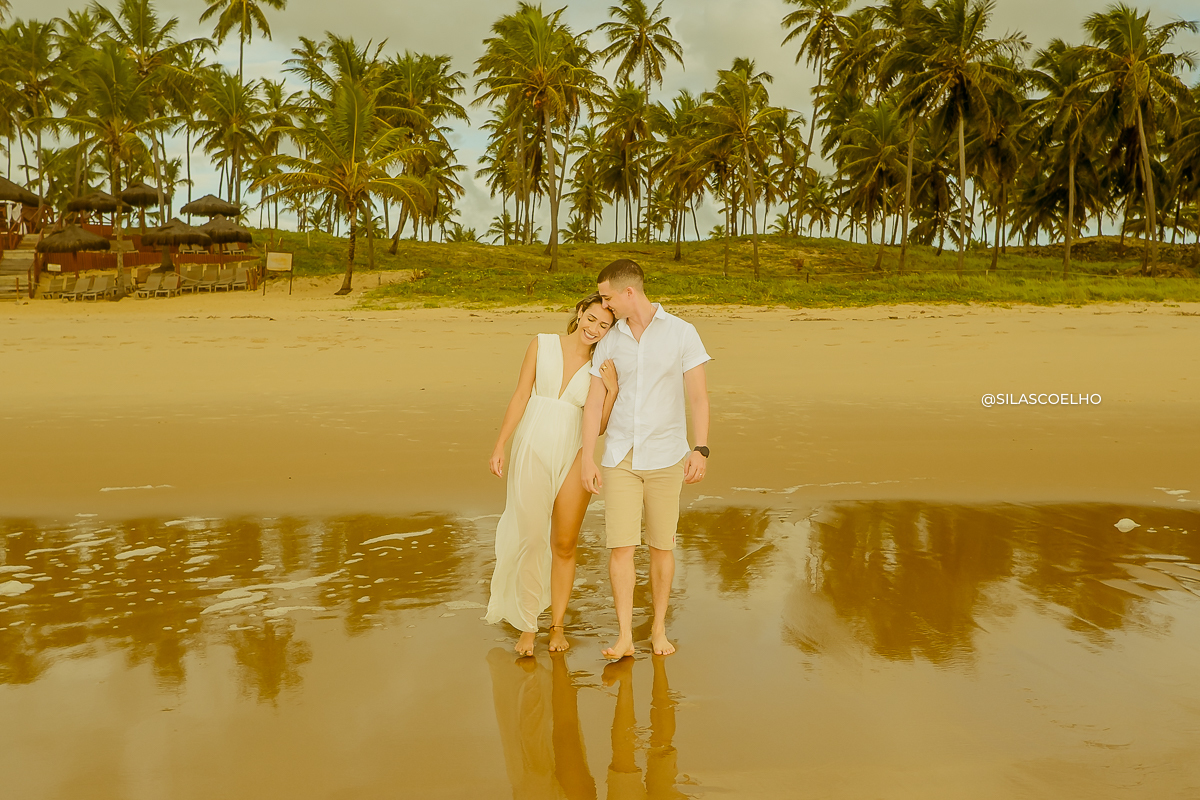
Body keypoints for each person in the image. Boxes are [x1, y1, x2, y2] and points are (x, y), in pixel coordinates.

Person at [580, 259, 711, 659]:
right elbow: (594, 402)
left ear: (629, 292)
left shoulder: (682, 332)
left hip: (667, 456)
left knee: (661, 547)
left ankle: (657, 630)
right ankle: (624, 636)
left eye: (608, 298)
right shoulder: (610, 339)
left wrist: (701, 448)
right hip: (620, 455)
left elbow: (698, 397)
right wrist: (588, 458)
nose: (605, 306)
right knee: (620, 547)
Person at [487, 294, 621, 656]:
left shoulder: (601, 365)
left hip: (575, 453)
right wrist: (500, 444)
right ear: (580, 312)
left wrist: (612, 390)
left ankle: (557, 625)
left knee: (564, 544)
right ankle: (528, 626)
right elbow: (520, 396)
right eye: (591, 318)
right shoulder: (541, 344)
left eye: (604, 325)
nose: (594, 329)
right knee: (531, 539)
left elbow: (599, 425)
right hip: (532, 447)